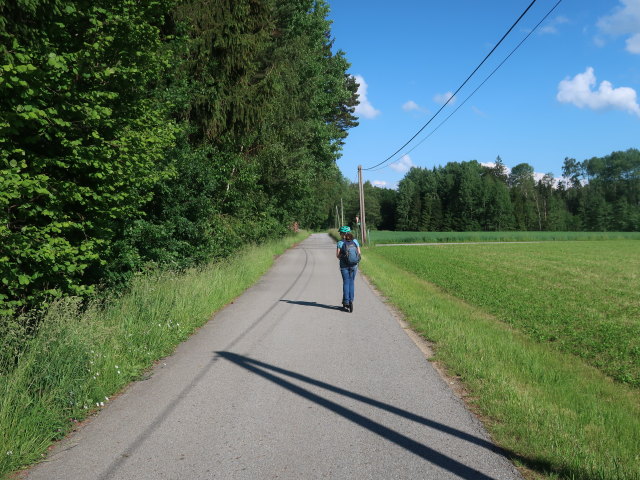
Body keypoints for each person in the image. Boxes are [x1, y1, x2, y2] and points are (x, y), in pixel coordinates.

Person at [336, 226, 361, 312]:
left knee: (346, 282)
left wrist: (343, 256)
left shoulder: (340, 243)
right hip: (354, 265)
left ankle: (346, 301)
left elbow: (338, 256)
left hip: (344, 266)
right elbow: (359, 253)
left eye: (340, 233)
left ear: (342, 234)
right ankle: (351, 300)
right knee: (351, 282)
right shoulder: (355, 241)